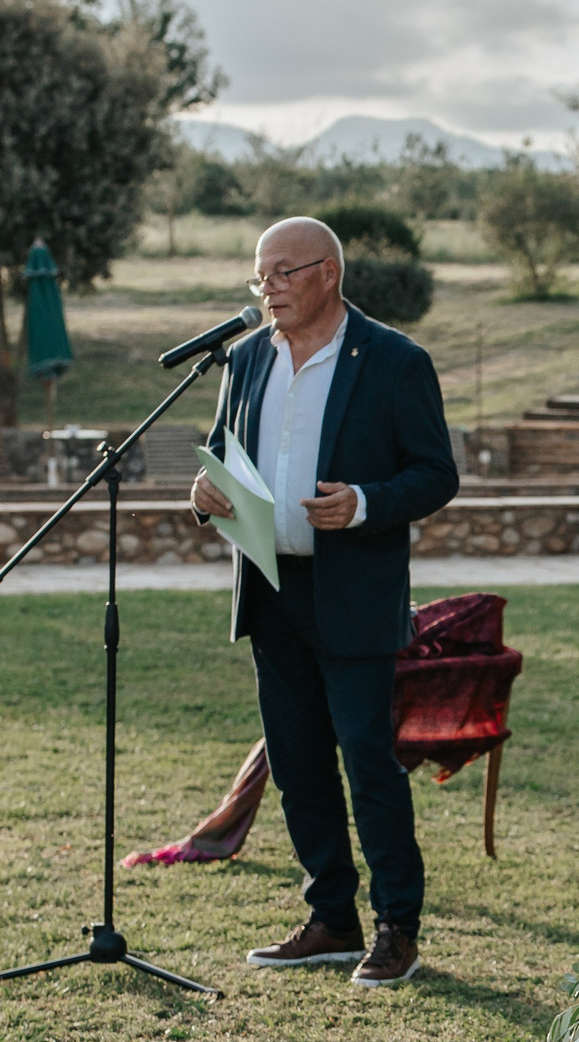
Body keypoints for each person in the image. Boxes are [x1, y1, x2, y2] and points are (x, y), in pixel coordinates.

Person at [188, 217, 458, 987]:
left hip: (355, 592)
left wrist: (367, 501)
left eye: (282, 273)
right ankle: (331, 917)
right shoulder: (243, 361)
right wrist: (205, 494)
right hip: (272, 590)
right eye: (259, 276)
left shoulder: (396, 360)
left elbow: (436, 474)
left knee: (370, 763)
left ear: (328, 274)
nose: (267, 289)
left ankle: (396, 927)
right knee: (300, 765)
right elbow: (223, 452)